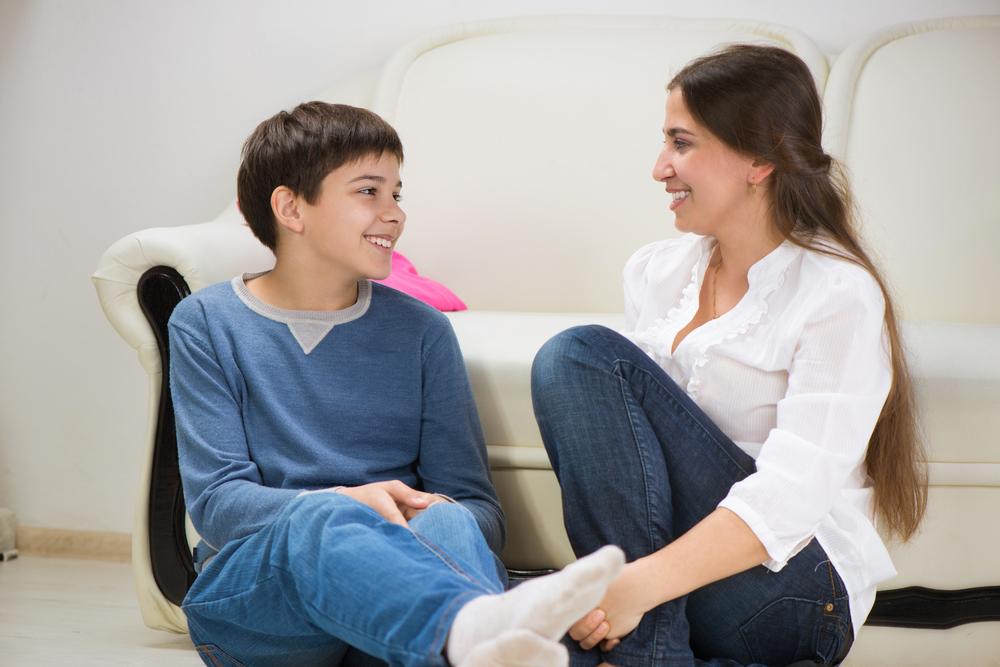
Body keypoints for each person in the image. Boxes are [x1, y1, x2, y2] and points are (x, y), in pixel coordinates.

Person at [169, 101, 625, 667]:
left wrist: (418, 516)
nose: (394, 214)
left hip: (389, 617)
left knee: (452, 517)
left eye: (396, 194)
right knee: (322, 519)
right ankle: (488, 631)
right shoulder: (207, 323)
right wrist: (349, 505)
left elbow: (478, 507)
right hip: (261, 613)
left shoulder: (422, 331)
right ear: (290, 207)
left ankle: (465, 639)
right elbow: (217, 505)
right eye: (368, 192)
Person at [530, 45, 927, 667]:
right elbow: (633, 478)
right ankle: (653, 653)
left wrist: (631, 588)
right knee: (507, 638)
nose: (660, 168)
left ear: (760, 160)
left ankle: (639, 650)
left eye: (681, 143)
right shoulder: (655, 273)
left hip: (793, 593)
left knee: (577, 355)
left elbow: (790, 498)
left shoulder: (836, 292)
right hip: (683, 590)